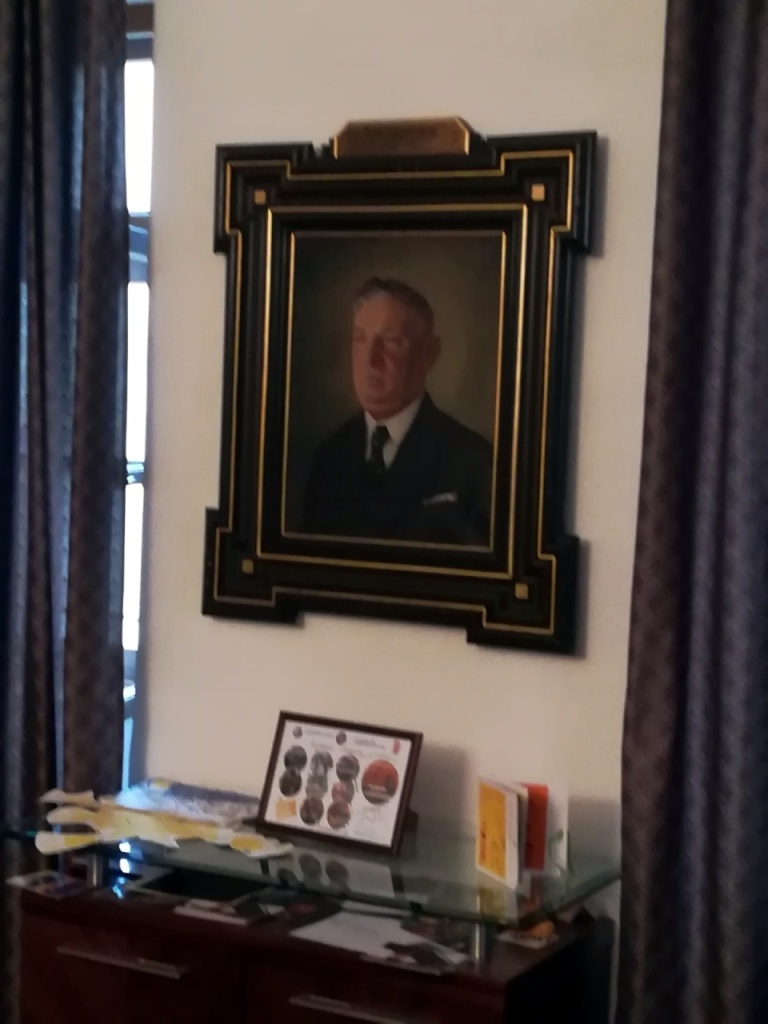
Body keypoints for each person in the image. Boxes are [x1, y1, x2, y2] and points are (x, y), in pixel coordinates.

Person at [301, 277, 493, 545]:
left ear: (429, 353)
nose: (371, 360)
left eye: (390, 341)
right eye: (360, 339)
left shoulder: (474, 463)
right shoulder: (329, 456)